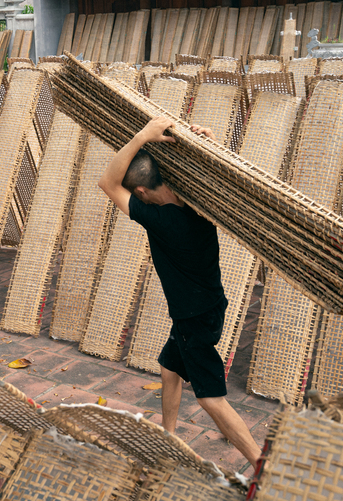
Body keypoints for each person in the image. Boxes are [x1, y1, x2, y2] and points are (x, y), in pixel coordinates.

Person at [98, 116, 262, 467]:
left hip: (193, 318)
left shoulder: (160, 220)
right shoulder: (195, 200)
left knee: (210, 398)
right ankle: (168, 437)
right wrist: (209, 141)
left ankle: (262, 464)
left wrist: (142, 134)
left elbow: (108, 183)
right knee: (169, 368)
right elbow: (221, 177)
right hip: (209, 305)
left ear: (141, 191)